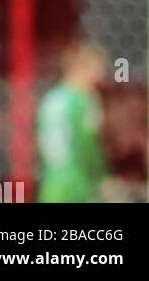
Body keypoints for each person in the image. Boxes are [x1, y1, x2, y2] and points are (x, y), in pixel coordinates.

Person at [37, 45, 108, 203]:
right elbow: (88, 142)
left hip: (52, 182)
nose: (100, 76)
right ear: (80, 68)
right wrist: (102, 175)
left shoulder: (51, 99)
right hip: (79, 184)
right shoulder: (83, 99)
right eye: (96, 69)